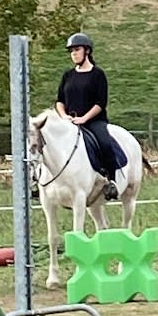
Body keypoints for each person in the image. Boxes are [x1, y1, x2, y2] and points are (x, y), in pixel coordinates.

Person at [56, 32, 118, 200]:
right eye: (71, 51)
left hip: (93, 121)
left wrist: (84, 119)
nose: (74, 54)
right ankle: (42, 182)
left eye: (77, 50)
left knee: (105, 143)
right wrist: (64, 116)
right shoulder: (67, 75)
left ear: (87, 51)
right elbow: (60, 101)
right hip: (69, 122)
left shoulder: (98, 75)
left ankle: (111, 180)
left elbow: (100, 103)